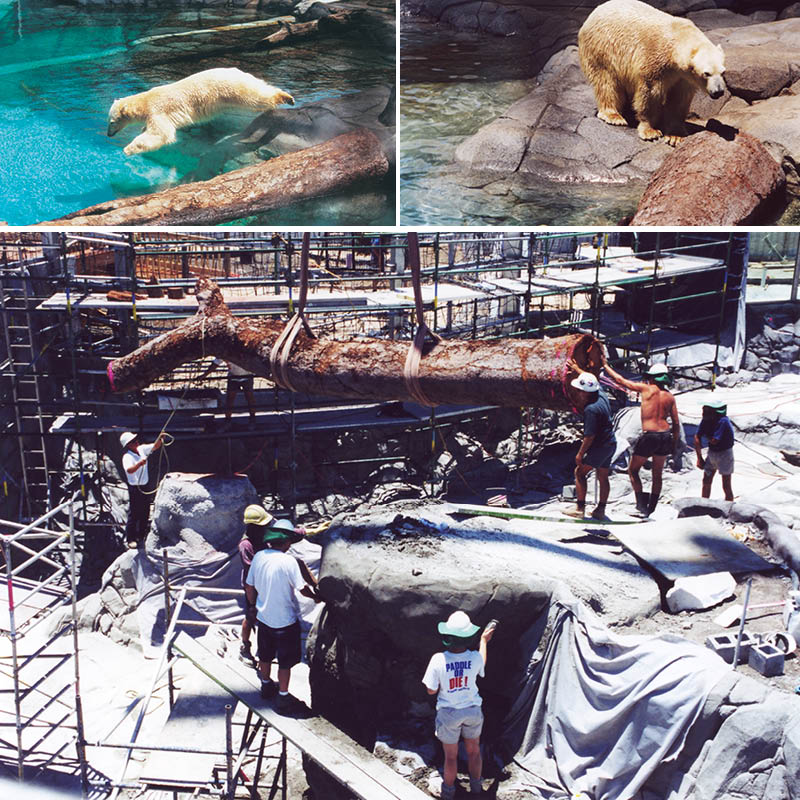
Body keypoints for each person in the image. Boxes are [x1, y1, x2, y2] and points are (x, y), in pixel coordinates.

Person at [245, 516, 321, 712]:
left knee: (265, 656)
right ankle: (283, 697)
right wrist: (315, 597)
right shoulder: (289, 561)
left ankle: (266, 685)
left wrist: (252, 606)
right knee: (285, 663)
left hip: (264, 619)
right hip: (285, 622)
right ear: (286, 541)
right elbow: (302, 588)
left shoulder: (259, 556)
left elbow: (249, 585)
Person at [422, 611, 496, 800]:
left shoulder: (438, 659)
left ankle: (448, 793)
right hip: (472, 711)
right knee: (474, 752)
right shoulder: (474, 658)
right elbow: (482, 663)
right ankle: (477, 790)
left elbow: (431, 690)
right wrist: (484, 641)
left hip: (449, 713)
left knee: (450, 757)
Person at [599, 356, 681, 516]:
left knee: (633, 470)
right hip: (665, 435)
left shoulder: (646, 389)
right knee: (657, 474)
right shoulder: (670, 396)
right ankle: (651, 508)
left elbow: (620, 381)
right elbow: (676, 423)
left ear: (652, 378)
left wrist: (605, 365)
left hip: (650, 436)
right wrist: (674, 444)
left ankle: (641, 505)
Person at [566, 371, 617, 520]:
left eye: (579, 391)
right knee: (603, 476)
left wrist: (580, 454)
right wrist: (577, 369)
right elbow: (593, 382)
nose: (578, 394)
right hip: (610, 443)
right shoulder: (601, 395)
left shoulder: (591, 410)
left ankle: (579, 508)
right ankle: (600, 510)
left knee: (579, 472)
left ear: (585, 392)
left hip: (600, 446)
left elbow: (589, 436)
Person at [239, 504, 274, 668]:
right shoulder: (246, 545)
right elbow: (251, 576)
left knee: (267, 618)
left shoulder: (262, 537)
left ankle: (265, 651)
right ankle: (245, 648)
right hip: (252, 587)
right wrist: (252, 602)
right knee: (251, 616)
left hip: (265, 584)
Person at [120, 431, 164, 548]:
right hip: (135, 487)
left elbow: (155, 446)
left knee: (145, 511)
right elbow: (129, 470)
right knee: (134, 513)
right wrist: (139, 464)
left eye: (136, 440)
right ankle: (131, 538)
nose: (136, 442)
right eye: (133, 441)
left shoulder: (142, 449)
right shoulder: (127, 457)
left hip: (145, 485)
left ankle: (141, 536)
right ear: (128, 445)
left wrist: (160, 438)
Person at [694, 399, 734, 501]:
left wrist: (705, 436)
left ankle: (729, 506)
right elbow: (697, 437)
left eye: (706, 410)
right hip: (712, 453)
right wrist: (699, 458)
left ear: (714, 411)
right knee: (706, 481)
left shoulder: (723, 421)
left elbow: (714, 440)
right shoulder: (705, 420)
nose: (703, 413)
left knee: (726, 485)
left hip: (725, 454)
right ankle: (704, 504)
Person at [201, 358, 257, 428]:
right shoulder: (226, 353)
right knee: (230, 399)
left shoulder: (245, 352)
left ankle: (252, 419)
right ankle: (228, 420)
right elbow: (216, 363)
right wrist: (204, 375)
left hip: (247, 376)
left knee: (250, 398)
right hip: (233, 376)